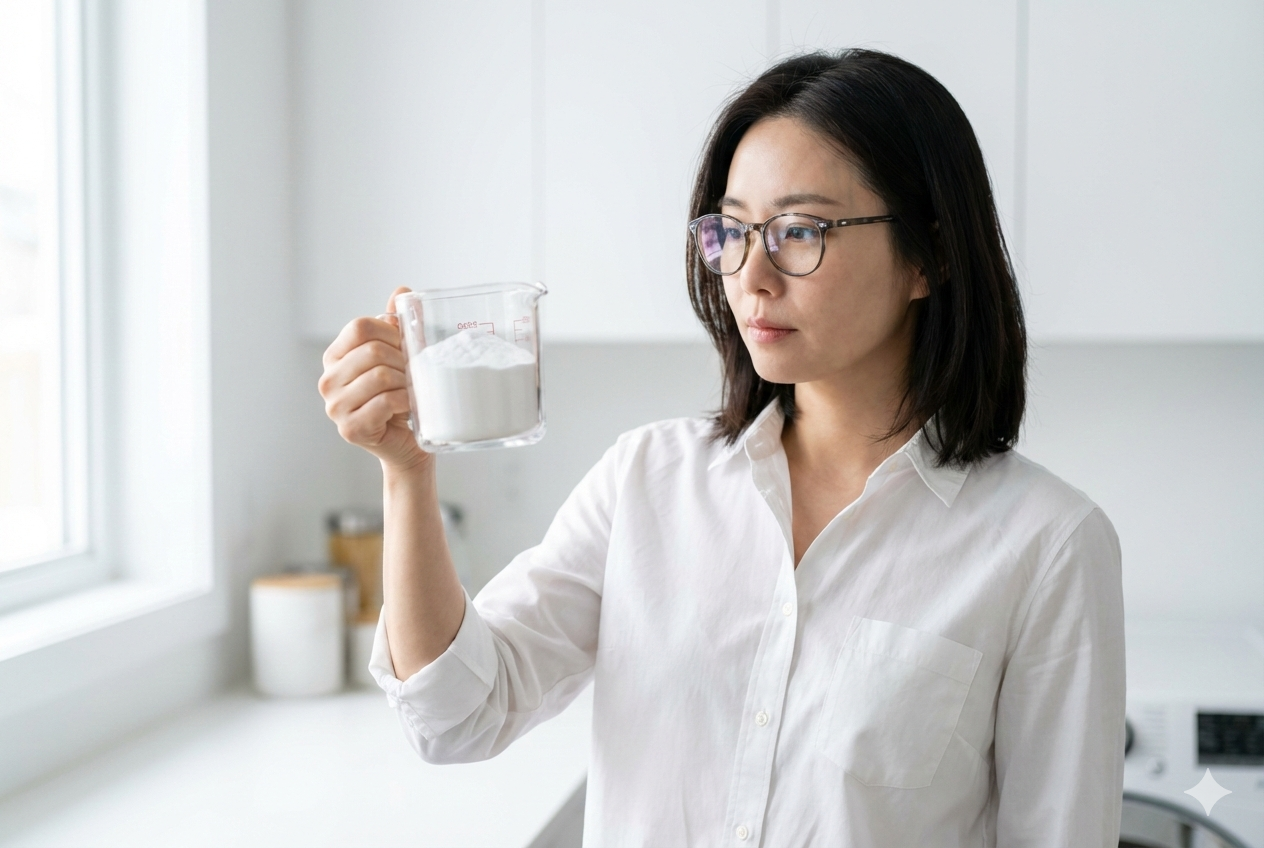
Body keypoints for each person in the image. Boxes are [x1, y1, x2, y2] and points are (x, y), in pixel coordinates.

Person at [318, 49, 1125, 847]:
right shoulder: (646, 484)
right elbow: (456, 716)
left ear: (929, 256)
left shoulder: (1047, 546)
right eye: (731, 231)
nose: (751, 276)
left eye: (800, 231)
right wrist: (407, 473)